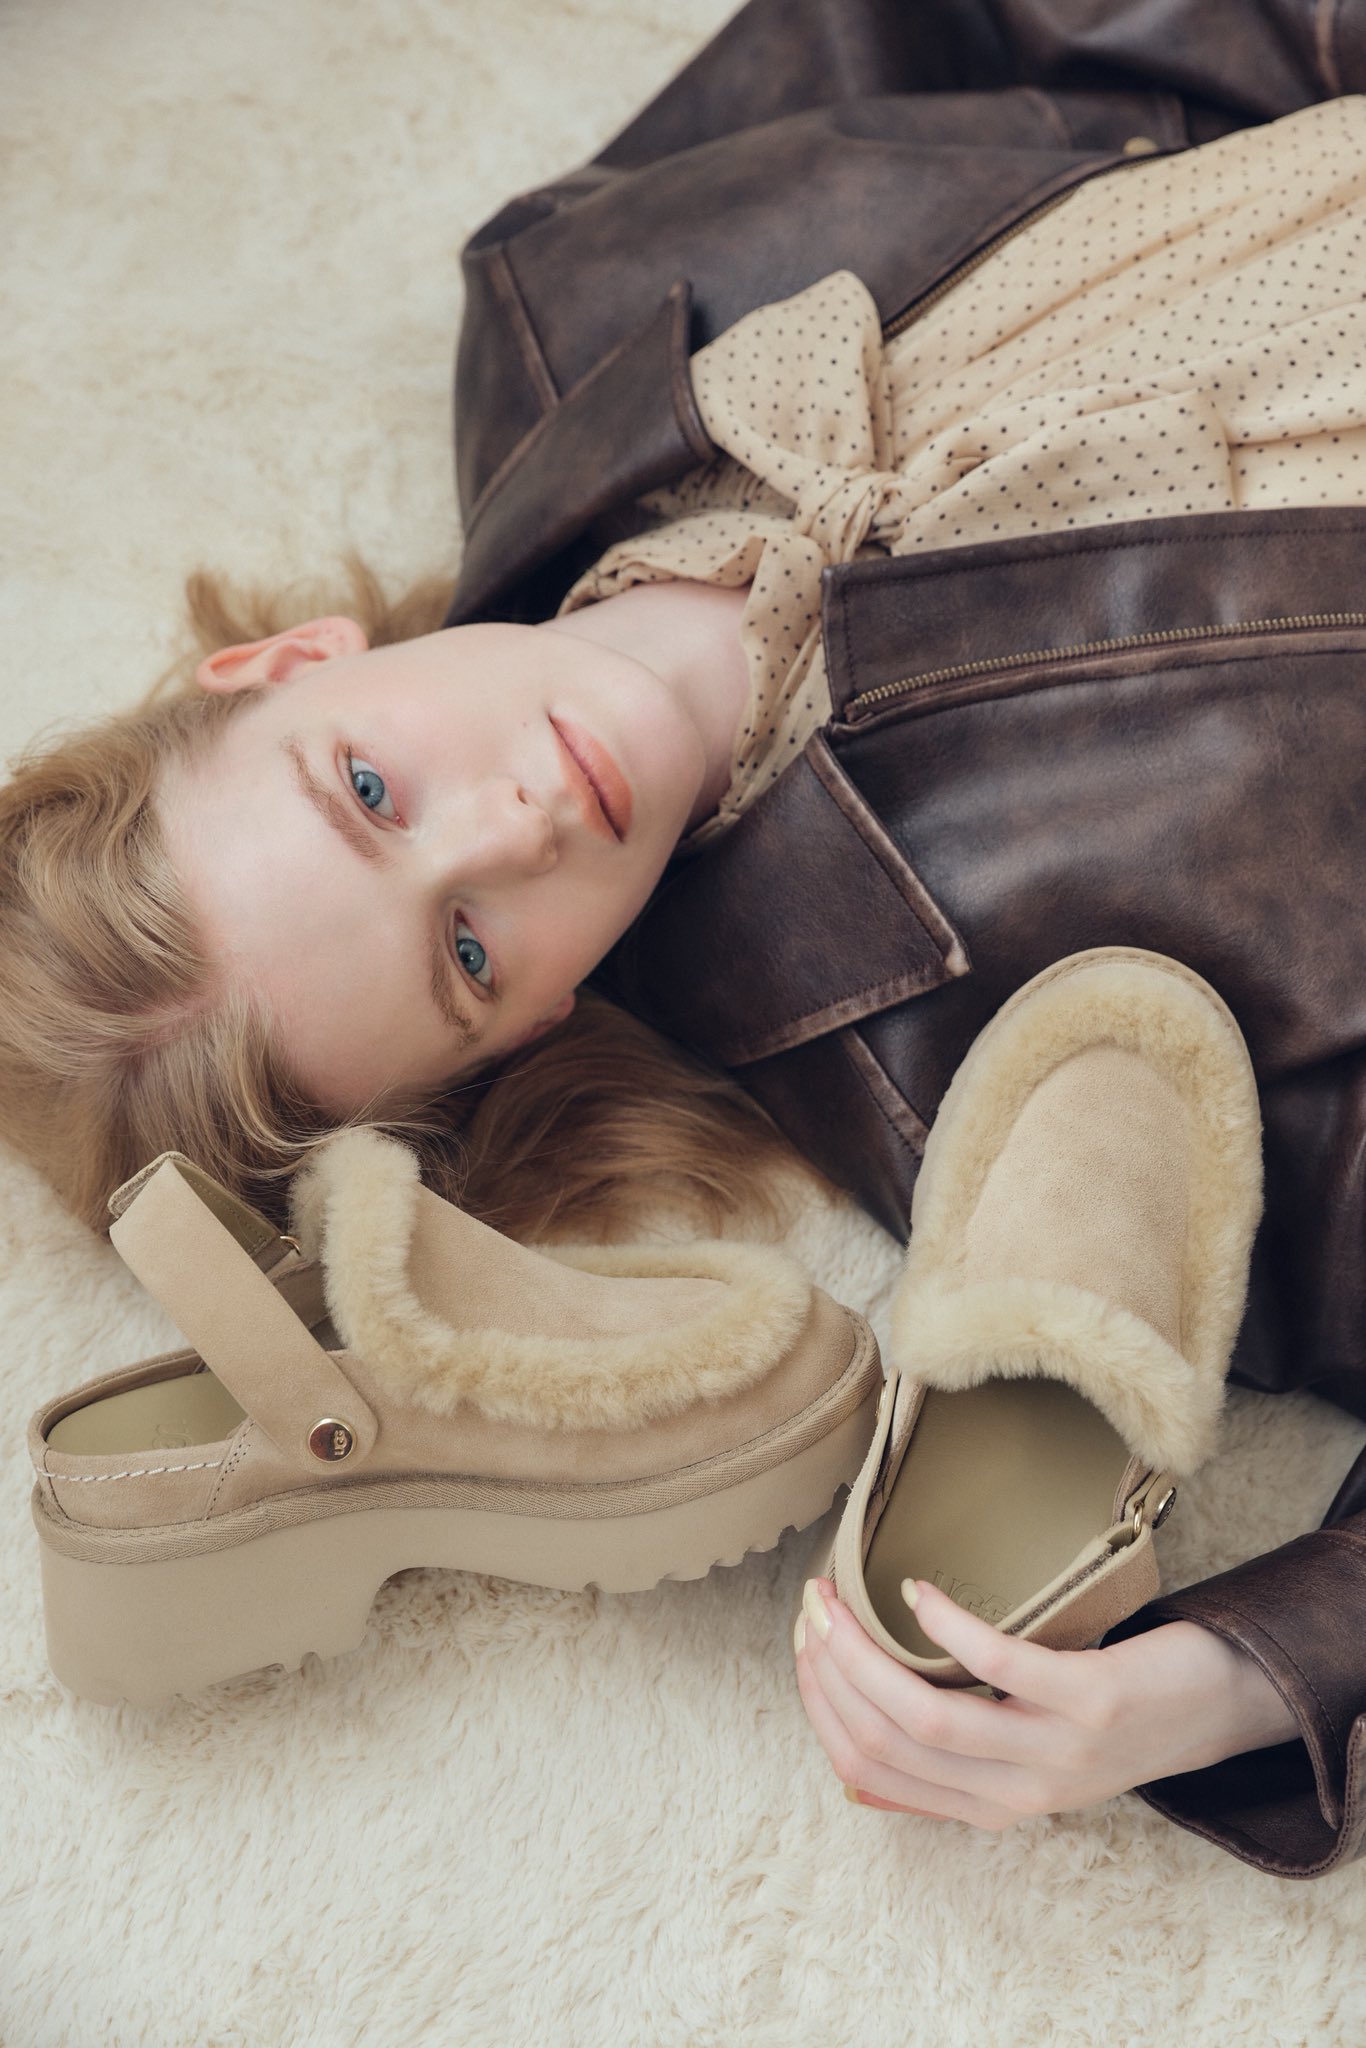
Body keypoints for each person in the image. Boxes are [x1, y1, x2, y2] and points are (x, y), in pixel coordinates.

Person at [3, 0, 1365, 1879]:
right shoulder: (1006, 1061)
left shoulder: (566, 291)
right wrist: (1228, 1677)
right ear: (530, 1025)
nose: (519, 823)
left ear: (291, 664)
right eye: (466, 952)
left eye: (370, 788)